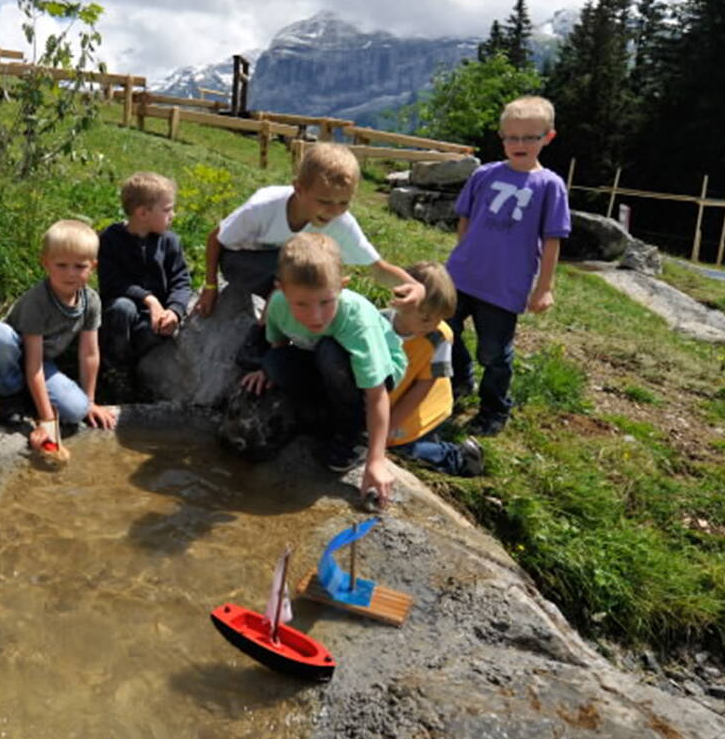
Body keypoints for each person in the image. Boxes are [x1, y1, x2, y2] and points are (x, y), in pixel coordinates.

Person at [237, 233, 405, 505]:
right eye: (301, 304)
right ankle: (322, 411)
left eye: (326, 302)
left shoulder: (358, 321)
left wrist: (377, 460)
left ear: (342, 287)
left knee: (330, 352)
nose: (315, 316)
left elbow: (377, 394)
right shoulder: (279, 306)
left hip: (368, 375)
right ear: (281, 290)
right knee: (276, 365)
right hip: (319, 360)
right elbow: (278, 343)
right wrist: (266, 369)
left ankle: (353, 429)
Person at [445, 95, 571, 436]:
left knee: (495, 352)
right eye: (512, 137)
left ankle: (494, 409)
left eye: (530, 137)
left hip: (505, 286)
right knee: (443, 330)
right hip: (461, 274)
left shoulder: (550, 186)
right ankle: (458, 381)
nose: (520, 144)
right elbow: (466, 218)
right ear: (502, 138)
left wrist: (544, 288)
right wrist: (461, 255)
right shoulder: (484, 174)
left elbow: (552, 241)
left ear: (548, 137)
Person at [192, 142, 424, 324]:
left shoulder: (340, 221)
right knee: (304, 271)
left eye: (344, 202)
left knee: (311, 271)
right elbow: (216, 238)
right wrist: (210, 286)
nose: (334, 211)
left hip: (286, 269)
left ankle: (288, 312)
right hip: (240, 261)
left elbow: (377, 268)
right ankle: (269, 327)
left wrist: (416, 286)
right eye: (324, 201)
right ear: (299, 189)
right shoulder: (263, 207)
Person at [0, 219, 119, 450]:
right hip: (8, 355)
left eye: (79, 266)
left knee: (75, 410)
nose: (70, 274)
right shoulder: (37, 302)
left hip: (43, 361)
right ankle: (10, 395)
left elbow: (89, 354)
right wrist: (48, 421)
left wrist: (90, 401)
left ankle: (31, 396)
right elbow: (32, 365)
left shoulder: (91, 300)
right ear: (46, 263)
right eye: (61, 265)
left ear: (92, 267)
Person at [381, 262, 484, 476]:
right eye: (427, 317)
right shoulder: (377, 323)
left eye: (440, 318)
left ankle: (459, 457)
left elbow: (424, 385)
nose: (433, 324)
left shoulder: (439, 336)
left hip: (424, 405)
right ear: (401, 300)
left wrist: (390, 425)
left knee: (398, 445)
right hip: (392, 397)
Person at [98, 172, 193, 372]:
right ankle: (114, 370)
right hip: (121, 311)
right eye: (167, 210)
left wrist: (175, 310)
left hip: (153, 318)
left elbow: (181, 281)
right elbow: (111, 281)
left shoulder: (170, 242)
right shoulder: (111, 239)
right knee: (122, 309)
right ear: (143, 213)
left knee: (156, 331)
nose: (173, 215)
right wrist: (148, 299)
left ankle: (133, 368)